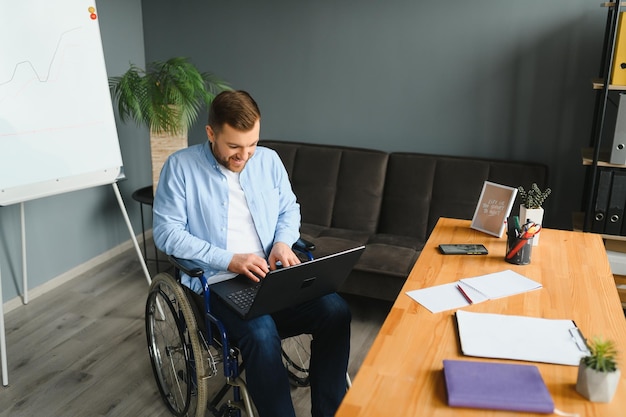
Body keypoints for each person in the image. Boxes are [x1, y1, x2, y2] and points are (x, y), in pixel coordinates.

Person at [152, 90, 351, 417]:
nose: (244, 156)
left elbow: (289, 209)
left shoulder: (268, 160)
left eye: (252, 145)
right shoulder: (181, 167)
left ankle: (329, 412)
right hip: (218, 282)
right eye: (233, 147)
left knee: (336, 311)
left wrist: (282, 243)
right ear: (211, 133)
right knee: (261, 333)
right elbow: (167, 233)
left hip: (271, 275)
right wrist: (229, 259)